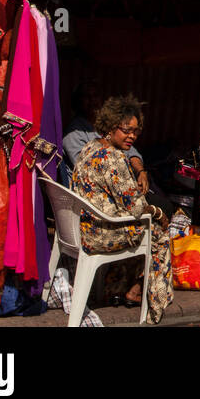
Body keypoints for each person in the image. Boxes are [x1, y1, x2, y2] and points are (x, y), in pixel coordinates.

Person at [69, 95, 175, 322]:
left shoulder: (90, 147)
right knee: (159, 230)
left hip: (86, 225)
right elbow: (137, 208)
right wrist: (159, 214)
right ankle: (155, 303)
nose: (132, 137)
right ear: (110, 126)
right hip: (101, 233)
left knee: (145, 226)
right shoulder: (113, 159)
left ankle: (119, 288)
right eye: (126, 130)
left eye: (136, 132)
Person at [61, 82, 154, 193]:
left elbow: (131, 152)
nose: (92, 101)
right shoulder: (73, 134)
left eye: (95, 96)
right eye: (87, 97)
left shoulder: (107, 127)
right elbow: (88, 170)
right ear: (77, 101)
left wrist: (140, 172)